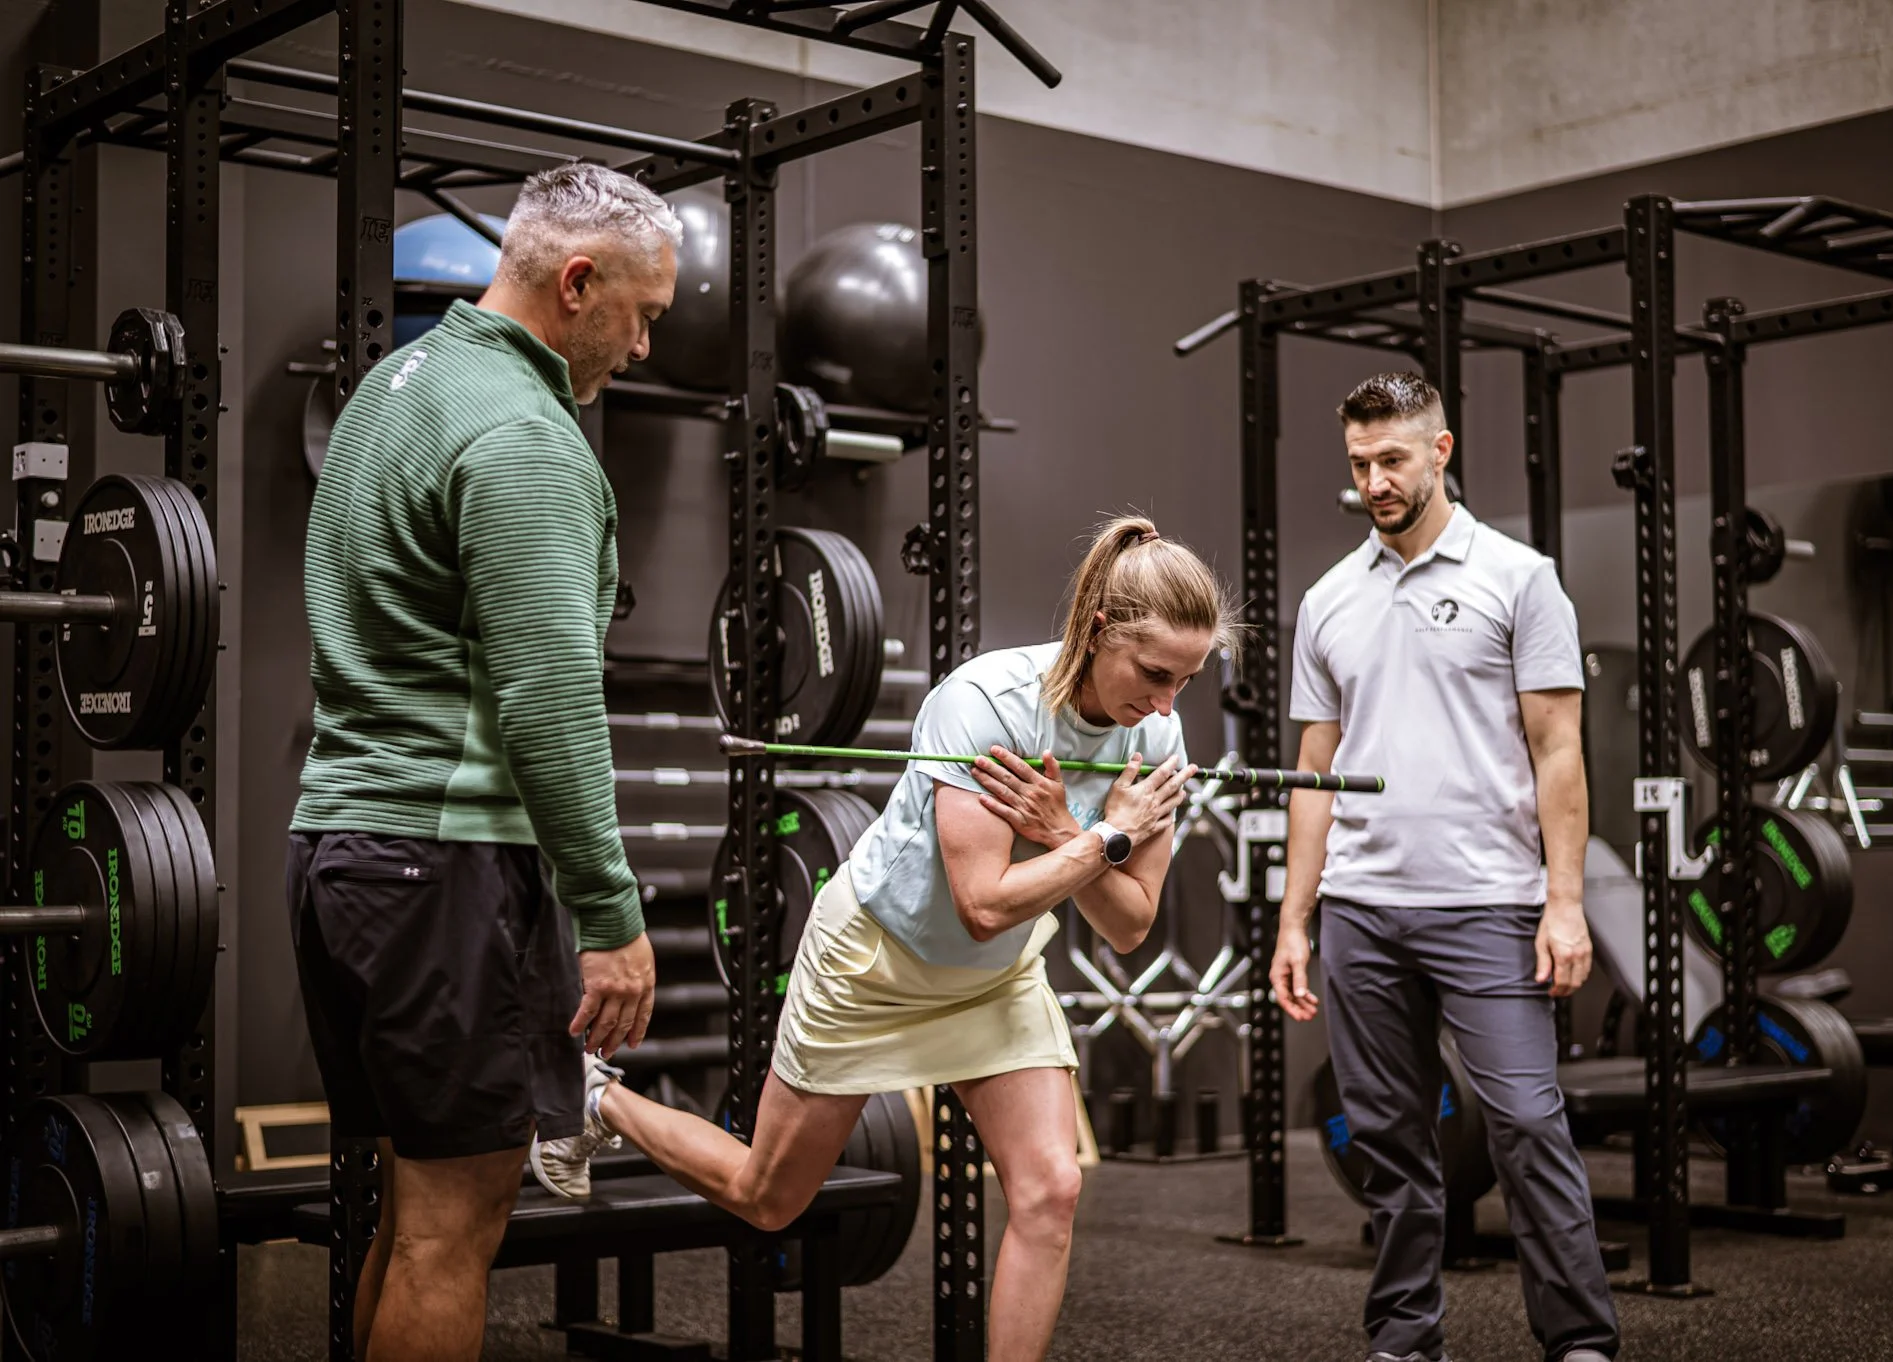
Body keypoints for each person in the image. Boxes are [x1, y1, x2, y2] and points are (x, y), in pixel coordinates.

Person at [533, 516, 1238, 1362]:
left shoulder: (1156, 737)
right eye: (1155, 674)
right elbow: (982, 901)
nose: (1166, 705)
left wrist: (1067, 836)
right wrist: (1098, 840)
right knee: (768, 1197)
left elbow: (1127, 927)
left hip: (995, 980)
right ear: (1095, 633)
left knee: (1051, 1190)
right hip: (874, 962)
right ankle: (597, 1099)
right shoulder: (983, 705)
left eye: (1187, 683)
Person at [287, 162, 678, 1362]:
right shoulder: (527, 437)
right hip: (445, 867)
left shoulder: (393, 389)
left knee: (415, 1222)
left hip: (343, 854)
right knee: (454, 1232)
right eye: (642, 312)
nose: (645, 344)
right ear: (575, 284)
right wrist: (611, 914)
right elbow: (549, 702)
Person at [1270, 372, 1618, 1362]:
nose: (1374, 480)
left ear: (1440, 450)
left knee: (1522, 1124)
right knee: (1386, 1140)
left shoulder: (1518, 577)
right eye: (1357, 463)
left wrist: (1564, 904)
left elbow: (1558, 751)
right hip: (1362, 910)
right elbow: (1313, 770)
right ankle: (1402, 1340)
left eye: (1391, 459)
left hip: (1487, 904)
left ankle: (1579, 1343)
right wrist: (1296, 919)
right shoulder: (1329, 599)